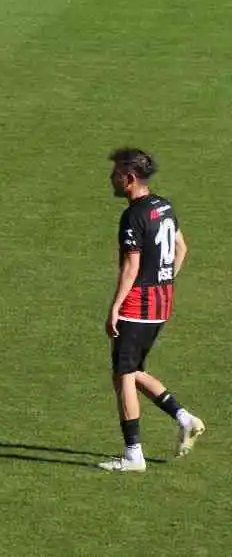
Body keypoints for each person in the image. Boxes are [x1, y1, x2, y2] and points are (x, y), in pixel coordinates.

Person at [98, 148, 205, 472]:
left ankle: (134, 455)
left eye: (116, 173)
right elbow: (182, 247)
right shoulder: (164, 205)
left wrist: (115, 306)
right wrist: (164, 279)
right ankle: (185, 419)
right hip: (161, 302)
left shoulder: (133, 216)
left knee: (124, 376)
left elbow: (131, 267)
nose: (112, 178)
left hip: (137, 306)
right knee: (130, 371)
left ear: (129, 178)